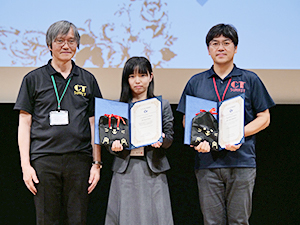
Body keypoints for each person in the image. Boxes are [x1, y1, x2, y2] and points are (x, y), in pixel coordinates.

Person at [177, 24, 275, 225]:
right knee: (211, 221)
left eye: (226, 43)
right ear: (208, 49)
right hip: (207, 164)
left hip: (241, 162)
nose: (220, 48)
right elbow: (187, 119)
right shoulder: (196, 82)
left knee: (239, 221)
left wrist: (238, 134)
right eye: (215, 43)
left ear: (235, 48)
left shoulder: (250, 79)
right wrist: (197, 140)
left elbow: (264, 117)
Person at [14, 20, 102, 225]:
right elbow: (24, 124)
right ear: (49, 45)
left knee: (78, 219)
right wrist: (25, 165)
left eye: (71, 41)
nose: (66, 46)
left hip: (79, 160)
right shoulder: (33, 79)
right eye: (60, 40)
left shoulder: (88, 79)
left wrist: (96, 164)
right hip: (44, 160)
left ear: (78, 45)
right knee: (46, 220)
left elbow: (94, 124)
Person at [104, 57, 174, 225]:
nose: (137, 81)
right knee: (126, 217)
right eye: (132, 76)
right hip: (125, 169)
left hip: (153, 168)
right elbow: (109, 140)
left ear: (150, 77)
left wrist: (162, 140)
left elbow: (170, 137)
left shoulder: (162, 105)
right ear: (126, 79)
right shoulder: (117, 107)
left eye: (142, 75)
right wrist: (113, 146)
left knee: (156, 217)